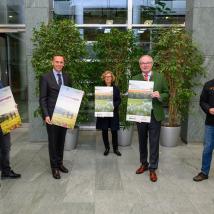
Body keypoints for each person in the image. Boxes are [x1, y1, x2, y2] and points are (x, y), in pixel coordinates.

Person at [132, 55, 168, 182]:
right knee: (142, 140)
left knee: (154, 142)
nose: (145, 65)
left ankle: (153, 168)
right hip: (141, 114)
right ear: (139, 65)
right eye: (142, 63)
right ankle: (144, 163)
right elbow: (133, 98)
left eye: (147, 62)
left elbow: (166, 93)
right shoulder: (135, 78)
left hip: (154, 114)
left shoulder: (160, 77)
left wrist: (159, 95)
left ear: (152, 64)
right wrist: (134, 112)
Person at [39, 55, 70, 179]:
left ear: (64, 63)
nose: (59, 64)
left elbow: (69, 94)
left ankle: (60, 163)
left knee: (61, 141)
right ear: (52, 62)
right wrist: (46, 114)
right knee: (53, 142)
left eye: (61, 62)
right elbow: (42, 98)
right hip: (51, 116)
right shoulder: (45, 77)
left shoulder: (67, 77)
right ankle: (54, 168)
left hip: (64, 115)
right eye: (57, 62)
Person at [96, 71, 122, 156]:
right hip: (103, 113)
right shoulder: (100, 89)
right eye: (106, 77)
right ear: (104, 78)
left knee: (114, 131)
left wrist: (113, 105)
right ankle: (107, 148)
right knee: (104, 130)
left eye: (109, 76)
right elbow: (98, 100)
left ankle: (115, 149)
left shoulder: (116, 88)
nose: (108, 78)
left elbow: (119, 100)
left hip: (113, 112)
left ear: (112, 78)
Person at [193, 79, 214, 182]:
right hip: (211, 123)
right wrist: (209, 109)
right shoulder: (209, 84)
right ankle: (204, 172)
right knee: (208, 148)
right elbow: (202, 101)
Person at [0, 80, 21, 179]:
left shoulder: (0, 82)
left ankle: (5, 171)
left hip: (3, 121)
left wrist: (11, 106)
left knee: (6, 147)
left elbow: (4, 98)